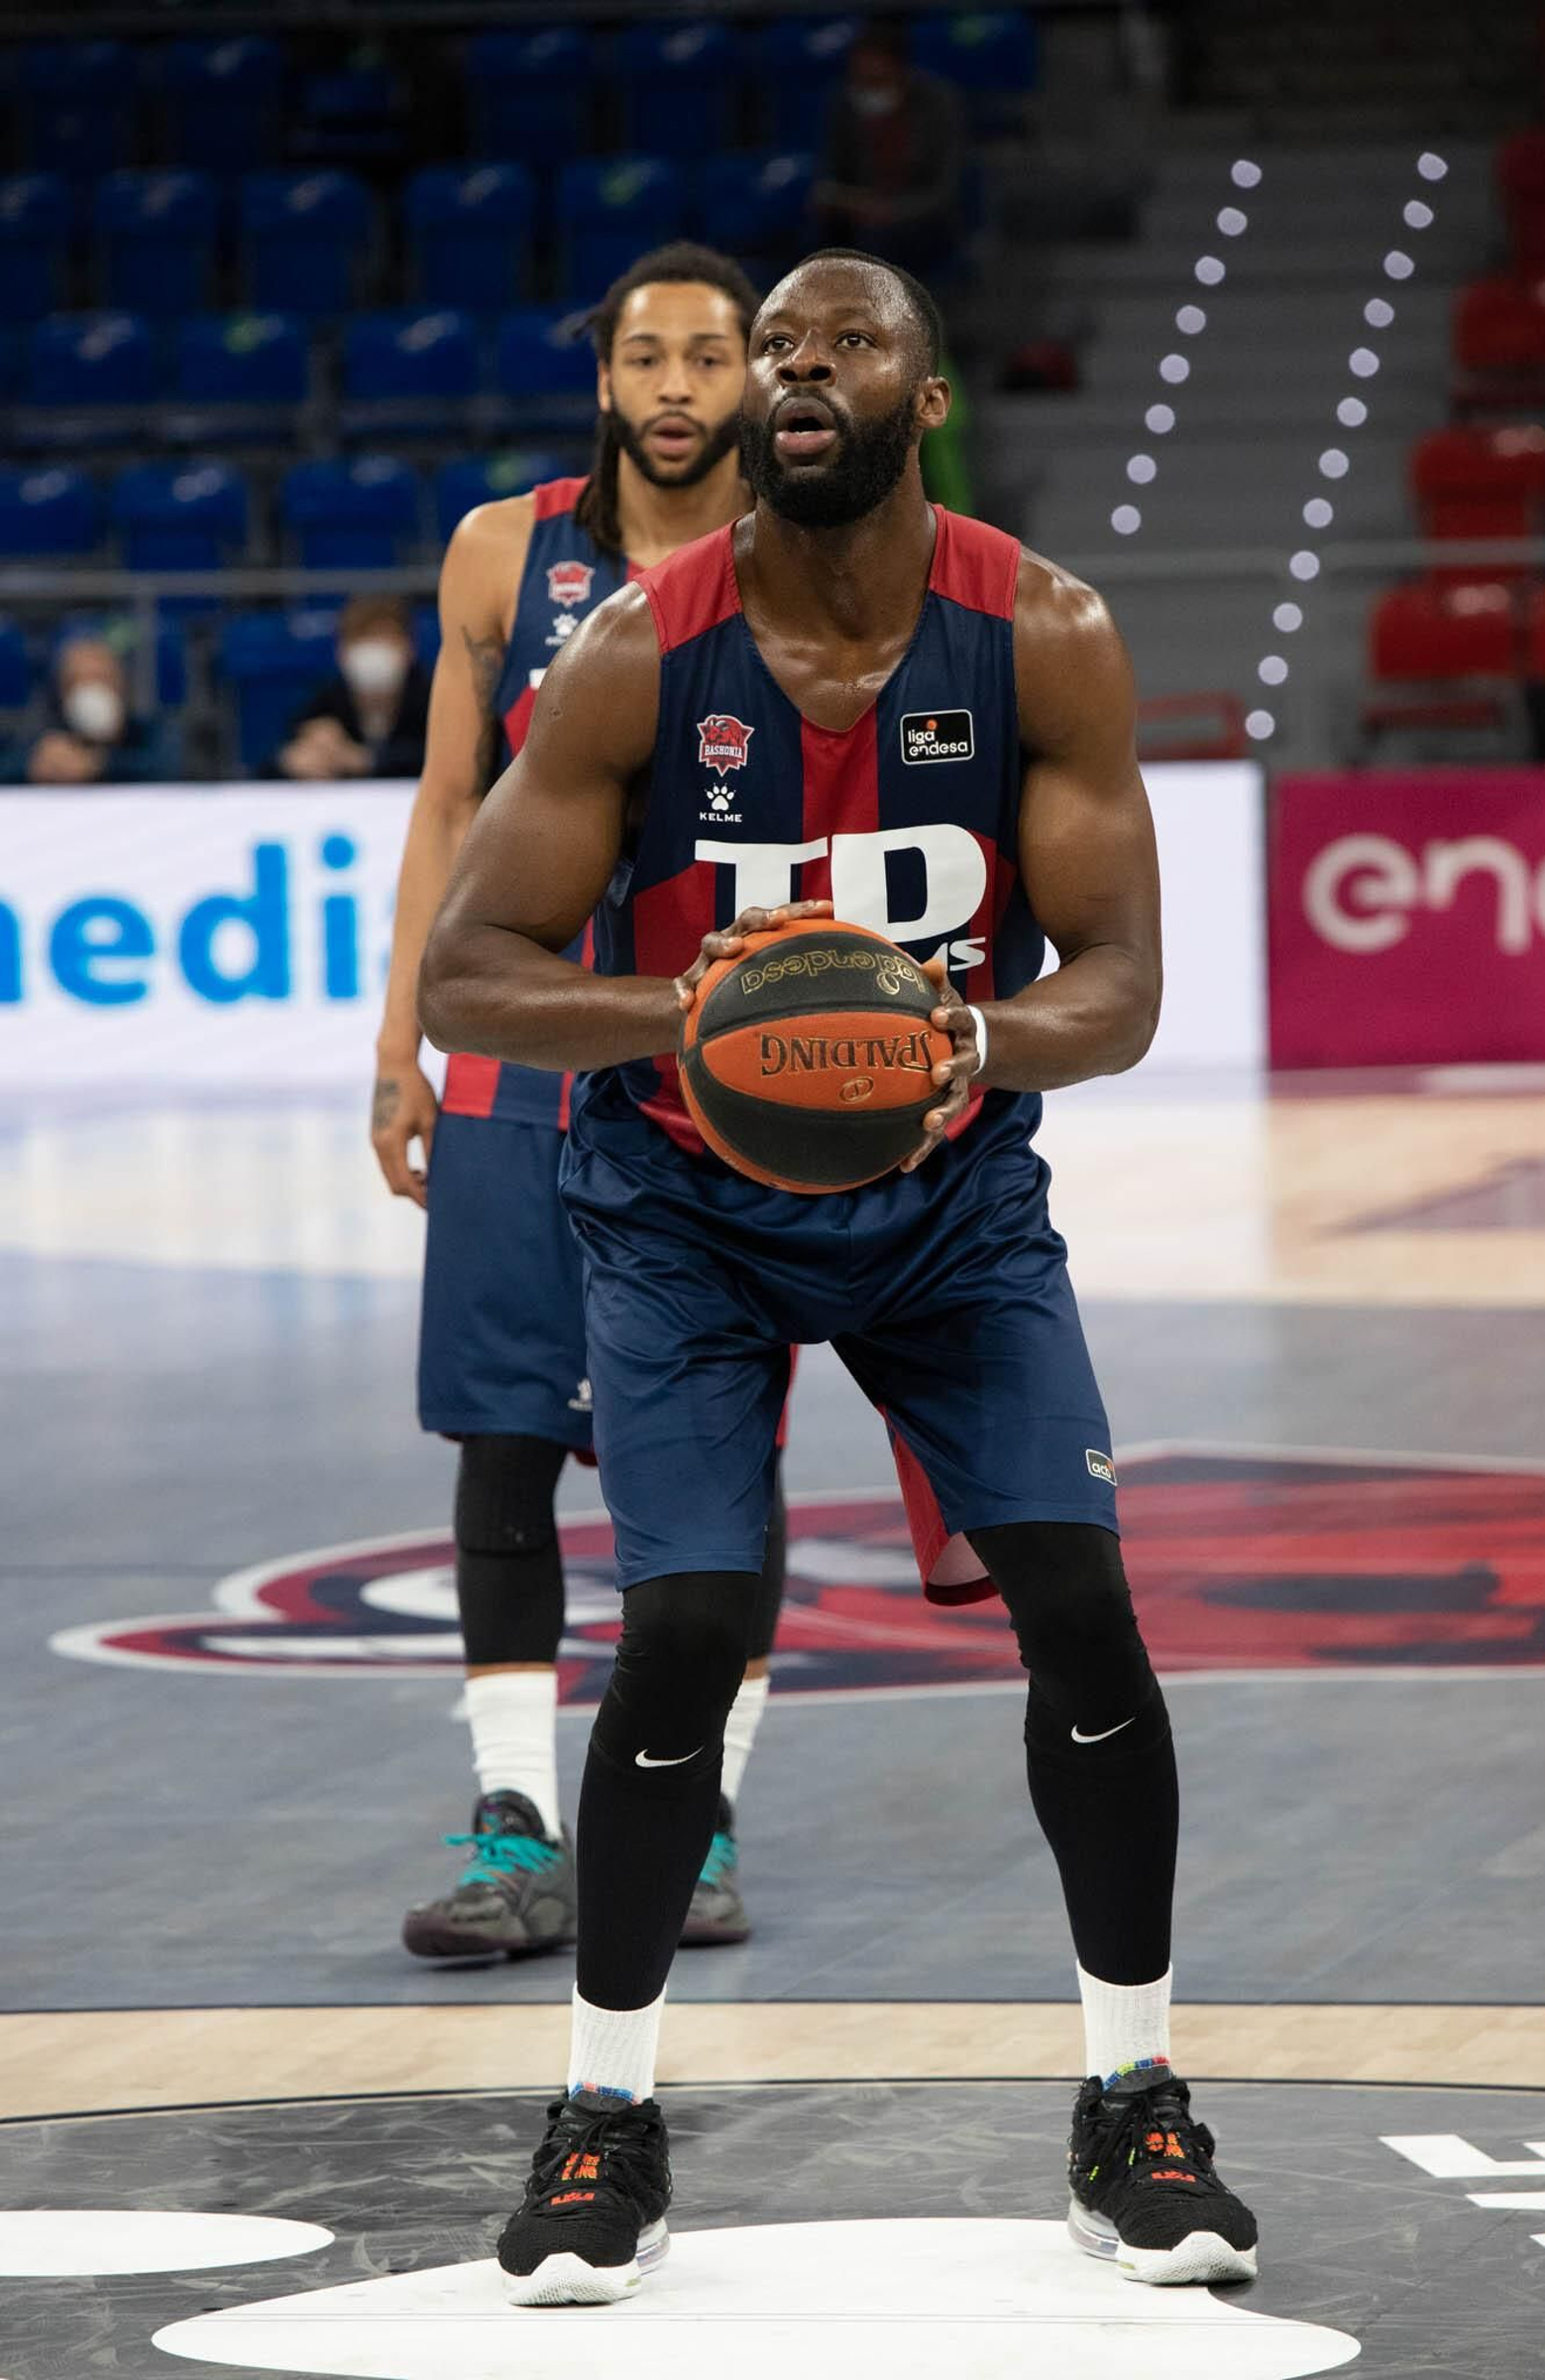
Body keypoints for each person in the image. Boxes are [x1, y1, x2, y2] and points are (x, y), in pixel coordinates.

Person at [421, 247, 1261, 2305]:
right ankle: (602, 2120)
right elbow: (468, 970)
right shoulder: (632, 650)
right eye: (771, 345)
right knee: (690, 1617)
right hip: (682, 1207)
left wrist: (951, 1043)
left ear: (919, 392)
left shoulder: (1037, 631)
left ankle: (1128, 2103)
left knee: (1079, 1601)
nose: (795, 368)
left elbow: (1124, 988)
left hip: (948, 1201)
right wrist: (676, 1014)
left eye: (839, 340)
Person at [373, 244, 788, 1966]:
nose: (679, 385)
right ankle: (510, 1818)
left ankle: (700, 1817)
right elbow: (445, 808)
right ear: (604, 381)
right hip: (521, 1059)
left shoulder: (808, 563)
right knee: (507, 1445)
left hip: (717, 1071)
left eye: (710, 355)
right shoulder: (501, 551)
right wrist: (399, 1040)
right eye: (649, 356)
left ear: (754, 382)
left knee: (713, 1464)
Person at [813, 19, 965, 276]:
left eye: (877, 80)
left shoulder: (937, 105)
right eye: (861, 81)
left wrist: (893, 212)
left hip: (919, 218)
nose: (867, 89)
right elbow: (830, 173)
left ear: (899, 71)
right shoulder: (843, 104)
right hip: (860, 212)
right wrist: (842, 199)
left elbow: (944, 191)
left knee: (878, 240)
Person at [276, 595, 429, 781]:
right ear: (341, 652)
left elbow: (446, 758)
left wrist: (368, 760)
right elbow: (276, 757)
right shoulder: (326, 700)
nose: (373, 651)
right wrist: (293, 761)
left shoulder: (433, 698)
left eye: (385, 640)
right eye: (363, 640)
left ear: (410, 648)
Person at [13, 633, 178, 785]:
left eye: (100, 678)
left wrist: (98, 765)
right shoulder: (44, 732)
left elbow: (171, 766)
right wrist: (34, 764)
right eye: (78, 680)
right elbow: (8, 762)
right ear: (61, 691)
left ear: (121, 684)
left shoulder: (148, 731)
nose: (91, 689)